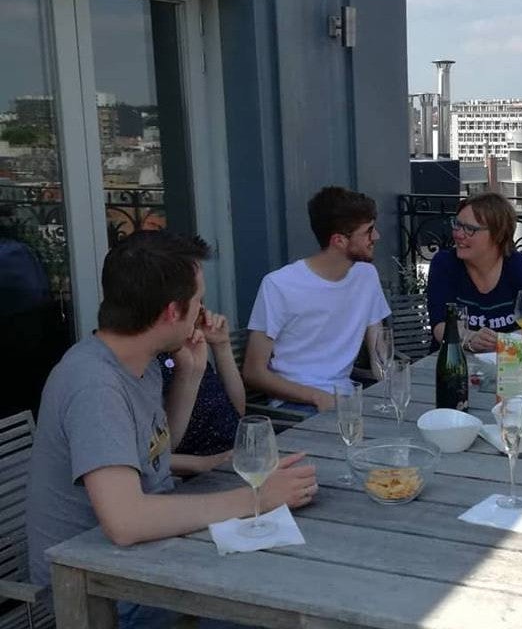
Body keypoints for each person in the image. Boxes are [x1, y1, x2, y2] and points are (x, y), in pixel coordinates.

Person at [25, 230, 317, 627]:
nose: (202, 313)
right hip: (101, 592)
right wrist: (256, 499)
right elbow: (126, 522)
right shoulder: (93, 384)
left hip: (151, 561)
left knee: (298, 572)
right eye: (197, 303)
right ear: (170, 312)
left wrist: (190, 374)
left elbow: (155, 454)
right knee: (288, 608)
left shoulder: (136, 358)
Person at [243, 186, 391, 412]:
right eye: (369, 231)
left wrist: (393, 389)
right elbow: (254, 372)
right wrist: (317, 397)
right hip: (298, 404)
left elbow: (379, 351)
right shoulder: (279, 285)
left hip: (348, 398)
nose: (376, 236)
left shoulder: (366, 276)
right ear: (339, 241)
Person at [426, 192, 522, 353]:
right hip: (454, 365)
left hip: (509, 366)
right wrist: (469, 338)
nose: (458, 234)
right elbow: (439, 325)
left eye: (470, 229)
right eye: (457, 224)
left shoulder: (517, 264)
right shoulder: (445, 264)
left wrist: (509, 342)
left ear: (497, 235)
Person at [159, 309, 245, 473]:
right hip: (198, 476)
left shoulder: (190, 344)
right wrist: (207, 463)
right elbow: (148, 455)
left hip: (237, 455)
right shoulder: (148, 360)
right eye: (196, 301)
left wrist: (221, 345)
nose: (204, 310)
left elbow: (237, 413)